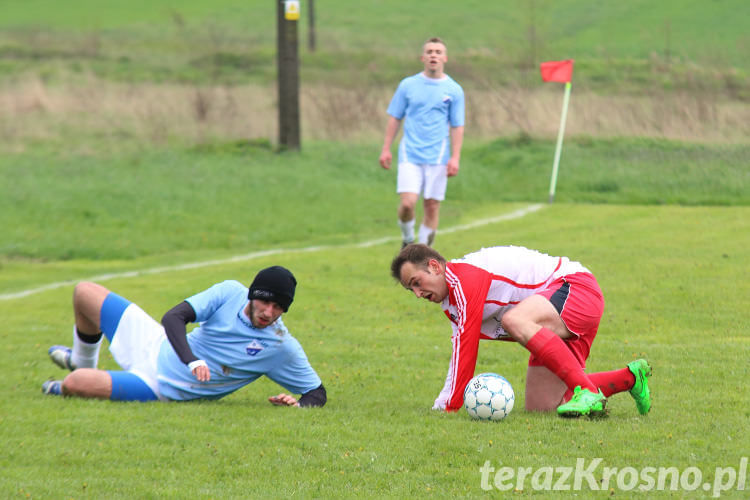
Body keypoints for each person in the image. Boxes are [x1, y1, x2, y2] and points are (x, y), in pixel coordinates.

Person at [390, 244, 652, 418]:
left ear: (435, 267)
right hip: (552, 316)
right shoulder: (451, 302)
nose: (417, 293)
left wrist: (450, 407)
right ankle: (631, 377)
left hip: (576, 288)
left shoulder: (462, 279)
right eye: (410, 290)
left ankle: (588, 391)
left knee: (513, 320)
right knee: (543, 407)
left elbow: (468, 347)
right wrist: (443, 402)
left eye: (417, 283)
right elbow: (459, 352)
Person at [42, 266, 327, 408]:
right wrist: (192, 360)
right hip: (155, 342)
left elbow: (317, 392)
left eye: (278, 307)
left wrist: (299, 406)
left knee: (75, 383)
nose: (269, 312)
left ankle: (68, 379)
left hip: (159, 385)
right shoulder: (229, 292)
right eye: (265, 302)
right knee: (84, 292)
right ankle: (80, 359)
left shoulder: (280, 346)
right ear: (252, 296)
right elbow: (173, 317)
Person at [379, 37, 465, 248]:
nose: (433, 55)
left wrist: (455, 157)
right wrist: (386, 149)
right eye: (429, 51)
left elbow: (457, 125)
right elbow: (395, 117)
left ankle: (423, 251)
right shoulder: (408, 85)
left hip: (438, 156)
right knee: (408, 204)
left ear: (444, 58)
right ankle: (408, 240)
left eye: (437, 52)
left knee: (432, 205)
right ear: (423, 57)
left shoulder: (454, 90)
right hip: (411, 154)